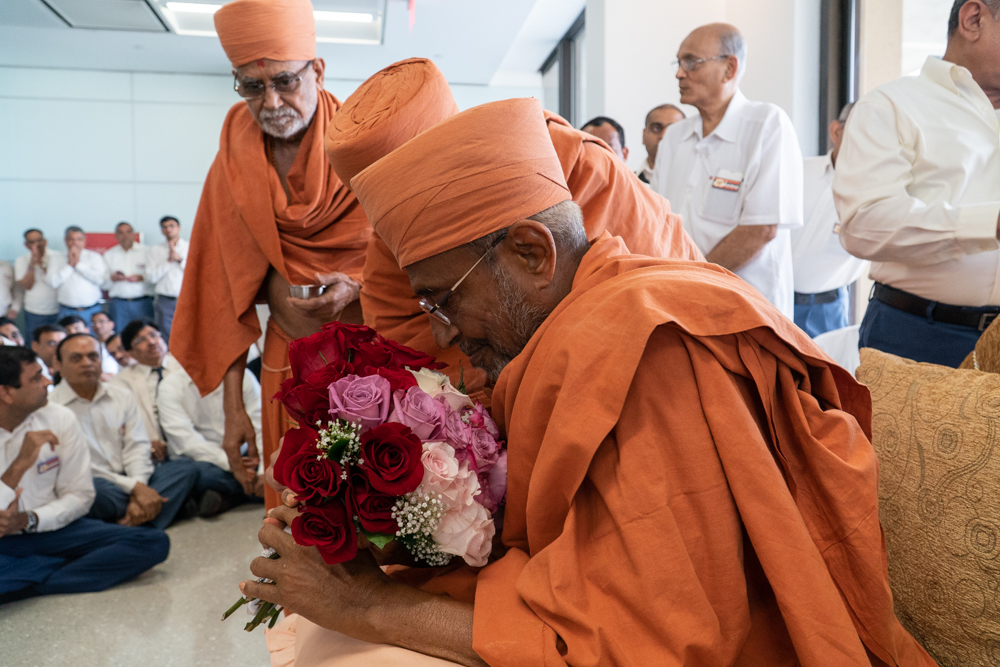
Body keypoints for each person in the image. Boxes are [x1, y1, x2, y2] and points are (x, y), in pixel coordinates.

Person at [249, 99, 934, 665]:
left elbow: (650, 640)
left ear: (531, 251)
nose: (447, 334)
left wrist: (369, 603)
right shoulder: (575, 324)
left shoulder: (647, 348)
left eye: (445, 300)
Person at [324, 57, 702, 396]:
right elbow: (420, 374)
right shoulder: (391, 249)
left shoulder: (560, 166)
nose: (410, 214)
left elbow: (644, 315)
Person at [169, 0, 373, 510]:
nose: (272, 101)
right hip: (286, 362)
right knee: (297, 505)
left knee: (374, 502)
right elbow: (221, 287)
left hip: (371, 356)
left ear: (317, 71)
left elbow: (410, 260)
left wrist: (359, 288)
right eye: (252, 86)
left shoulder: (364, 142)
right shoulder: (235, 150)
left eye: (285, 81)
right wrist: (234, 408)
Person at [834, 0, 1000, 367]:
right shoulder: (890, 106)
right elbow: (865, 225)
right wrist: (991, 224)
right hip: (917, 334)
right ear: (973, 20)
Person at [651, 24, 803, 319]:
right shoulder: (674, 137)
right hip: (678, 306)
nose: (679, 73)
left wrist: (691, 282)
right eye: (679, 63)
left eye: (691, 62)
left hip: (745, 312)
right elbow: (657, 219)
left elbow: (760, 230)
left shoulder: (767, 125)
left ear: (729, 68)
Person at [0, 346, 169, 603]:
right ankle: (53, 569)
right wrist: (19, 465)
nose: (48, 382)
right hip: (4, 542)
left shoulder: (58, 417)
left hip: (53, 528)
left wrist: (29, 520)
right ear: (6, 393)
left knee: (152, 542)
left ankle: (33, 580)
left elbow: (80, 495)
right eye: (36, 378)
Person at [50, 334, 197, 530]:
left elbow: (137, 446)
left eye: (93, 356)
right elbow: (78, 467)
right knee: (95, 492)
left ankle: (127, 525)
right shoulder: (50, 409)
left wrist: (139, 484)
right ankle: (152, 516)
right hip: (95, 484)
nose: (87, 363)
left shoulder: (121, 396)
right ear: (58, 364)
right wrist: (135, 489)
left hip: (132, 477)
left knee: (185, 467)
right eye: (76, 358)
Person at [791, 103, 869, 338]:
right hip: (771, 297)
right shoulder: (795, 170)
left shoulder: (876, 193)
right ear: (836, 132)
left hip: (826, 310)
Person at [158, 362, 264, 517]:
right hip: (209, 461)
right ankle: (251, 492)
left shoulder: (243, 376)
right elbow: (188, 443)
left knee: (278, 463)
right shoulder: (170, 387)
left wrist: (263, 471)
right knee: (197, 474)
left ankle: (229, 497)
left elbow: (260, 425)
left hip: (247, 455)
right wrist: (234, 465)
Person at [114, 321, 178, 457]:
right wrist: (146, 442)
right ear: (130, 353)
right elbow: (123, 423)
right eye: (140, 340)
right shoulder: (121, 383)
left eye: (154, 335)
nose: (151, 342)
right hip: (154, 452)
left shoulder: (185, 367)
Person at [47, 226, 108, 324]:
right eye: (71, 239)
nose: (75, 243)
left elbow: (100, 280)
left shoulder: (94, 257)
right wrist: (70, 266)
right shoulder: (56, 258)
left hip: (91, 310)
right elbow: (53, 282)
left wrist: (79, 265)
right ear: (65, 241)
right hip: (67, 311)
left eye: (79, 239)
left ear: (84, 241)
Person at [102, 222, 153, 335]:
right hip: (118, 304)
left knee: (145, 335)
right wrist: (113, 278)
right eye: (121, 232)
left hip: (142, 302)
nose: (125, 235)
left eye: (128, 232)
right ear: (116, 235)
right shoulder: (109, 254)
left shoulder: (148, 252)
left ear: (134, 234)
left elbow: (155, 277)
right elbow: (102, 283)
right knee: (120, 337)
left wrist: (142, 277)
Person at [145, 216, 187, 344]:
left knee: (188, 334)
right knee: (165, 336)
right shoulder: (155, 250)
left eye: (171, 226)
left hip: (187, 299)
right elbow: (150, 278)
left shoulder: (190, 246)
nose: (168, 229)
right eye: (165, 227)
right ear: (161, 231)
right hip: (165, 301)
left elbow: (199, 274)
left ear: (179, 228)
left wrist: (180, 259)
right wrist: (169, 262)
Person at [15, 229, 60, 338]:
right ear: (26, 245)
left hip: (57, 309)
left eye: (39, 240)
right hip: (34, 311)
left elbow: (56, 282)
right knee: (34, 343)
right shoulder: (21, 260)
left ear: (45, 241)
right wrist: (32, 264)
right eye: (31, 242)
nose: (36, 245)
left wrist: (41, 262)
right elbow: (27, 286)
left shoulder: (57, 256)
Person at [636, 104, 686, 184]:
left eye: (673, 130)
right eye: (656, 128)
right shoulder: (626, 182)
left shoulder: (698, 182)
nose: (663, 136)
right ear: (644, 135)